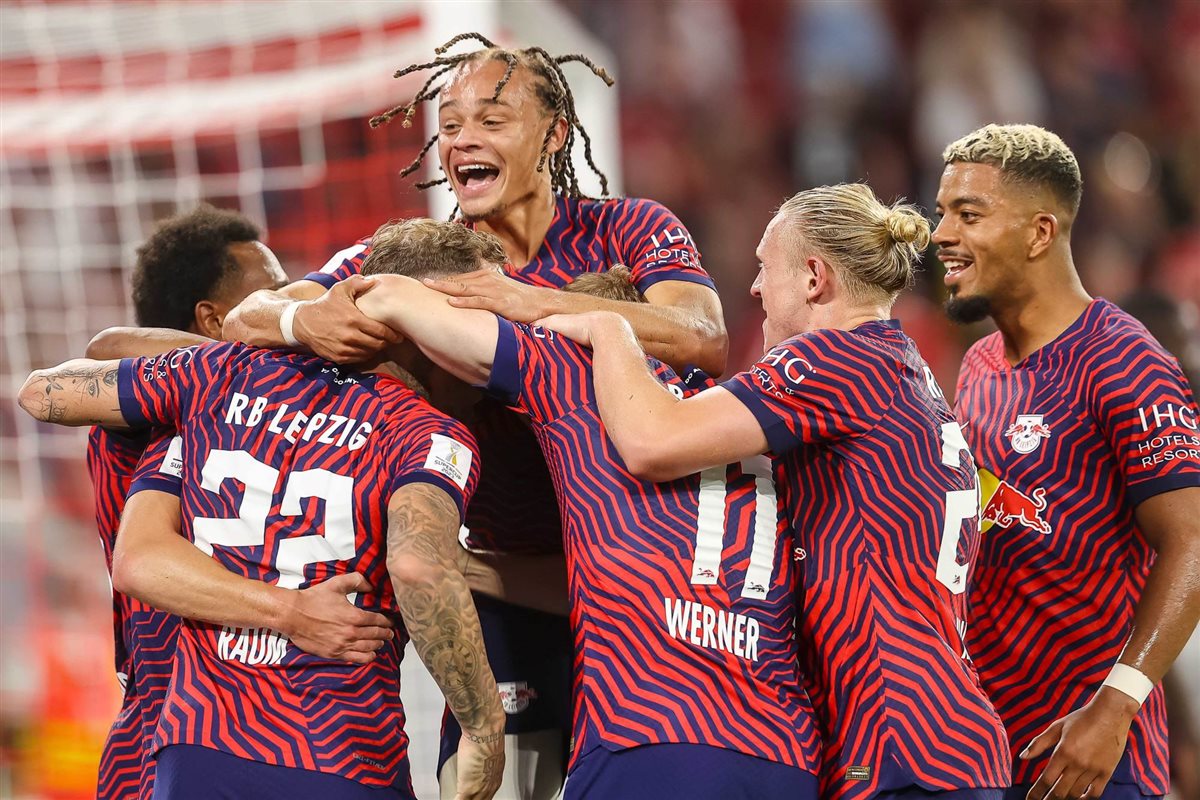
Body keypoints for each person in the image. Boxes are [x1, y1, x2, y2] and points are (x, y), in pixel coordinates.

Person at [219, 33, 730, 800]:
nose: (463, 140)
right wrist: (302, 320)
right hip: (507, 595)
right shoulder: (427, 259)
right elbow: (248, 315)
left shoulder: (628, 228)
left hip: (642, 587)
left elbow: (703, 336)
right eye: (450, 124)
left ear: (554, 134)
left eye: (491, 119)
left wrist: (528, 301)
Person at [532, 184, 1012, 800]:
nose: (756, 288)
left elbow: (652, 441)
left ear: (814, 277)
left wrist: (610, 327)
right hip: (940, 736)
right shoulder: (904, 371)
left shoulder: (839, 358)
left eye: (765, 267)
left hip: (898, 745)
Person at [341, 218, 821, 800]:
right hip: (784, 750)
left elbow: (395, 296)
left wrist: (299, 315)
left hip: (649, 732)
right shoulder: (756, 425)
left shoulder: (570, 371)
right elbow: (623, 568)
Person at [19, 271, 507, 799]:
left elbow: (43, 392)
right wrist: (483, 729)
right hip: (337, 747)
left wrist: (278, 332)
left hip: (194, 744)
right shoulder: (429, 433)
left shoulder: (214, 380)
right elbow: (418, 566)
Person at [87, 204, 390, 800]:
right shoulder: (155, 414)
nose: (280, 306)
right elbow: (107, 347)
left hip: (272, 738)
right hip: (162, 737)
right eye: (268, 292)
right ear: (212, 318)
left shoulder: (259, 416)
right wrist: (270, 348)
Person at [934, 123, 1200, 800]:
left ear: (1040, 233)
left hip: (1089, 761)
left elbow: (1193, 540)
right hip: (989, 755)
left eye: (968, 215)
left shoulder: (1122, 357)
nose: (942, 235)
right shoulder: (978, 365)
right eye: (943, 213)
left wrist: (1115, 708)